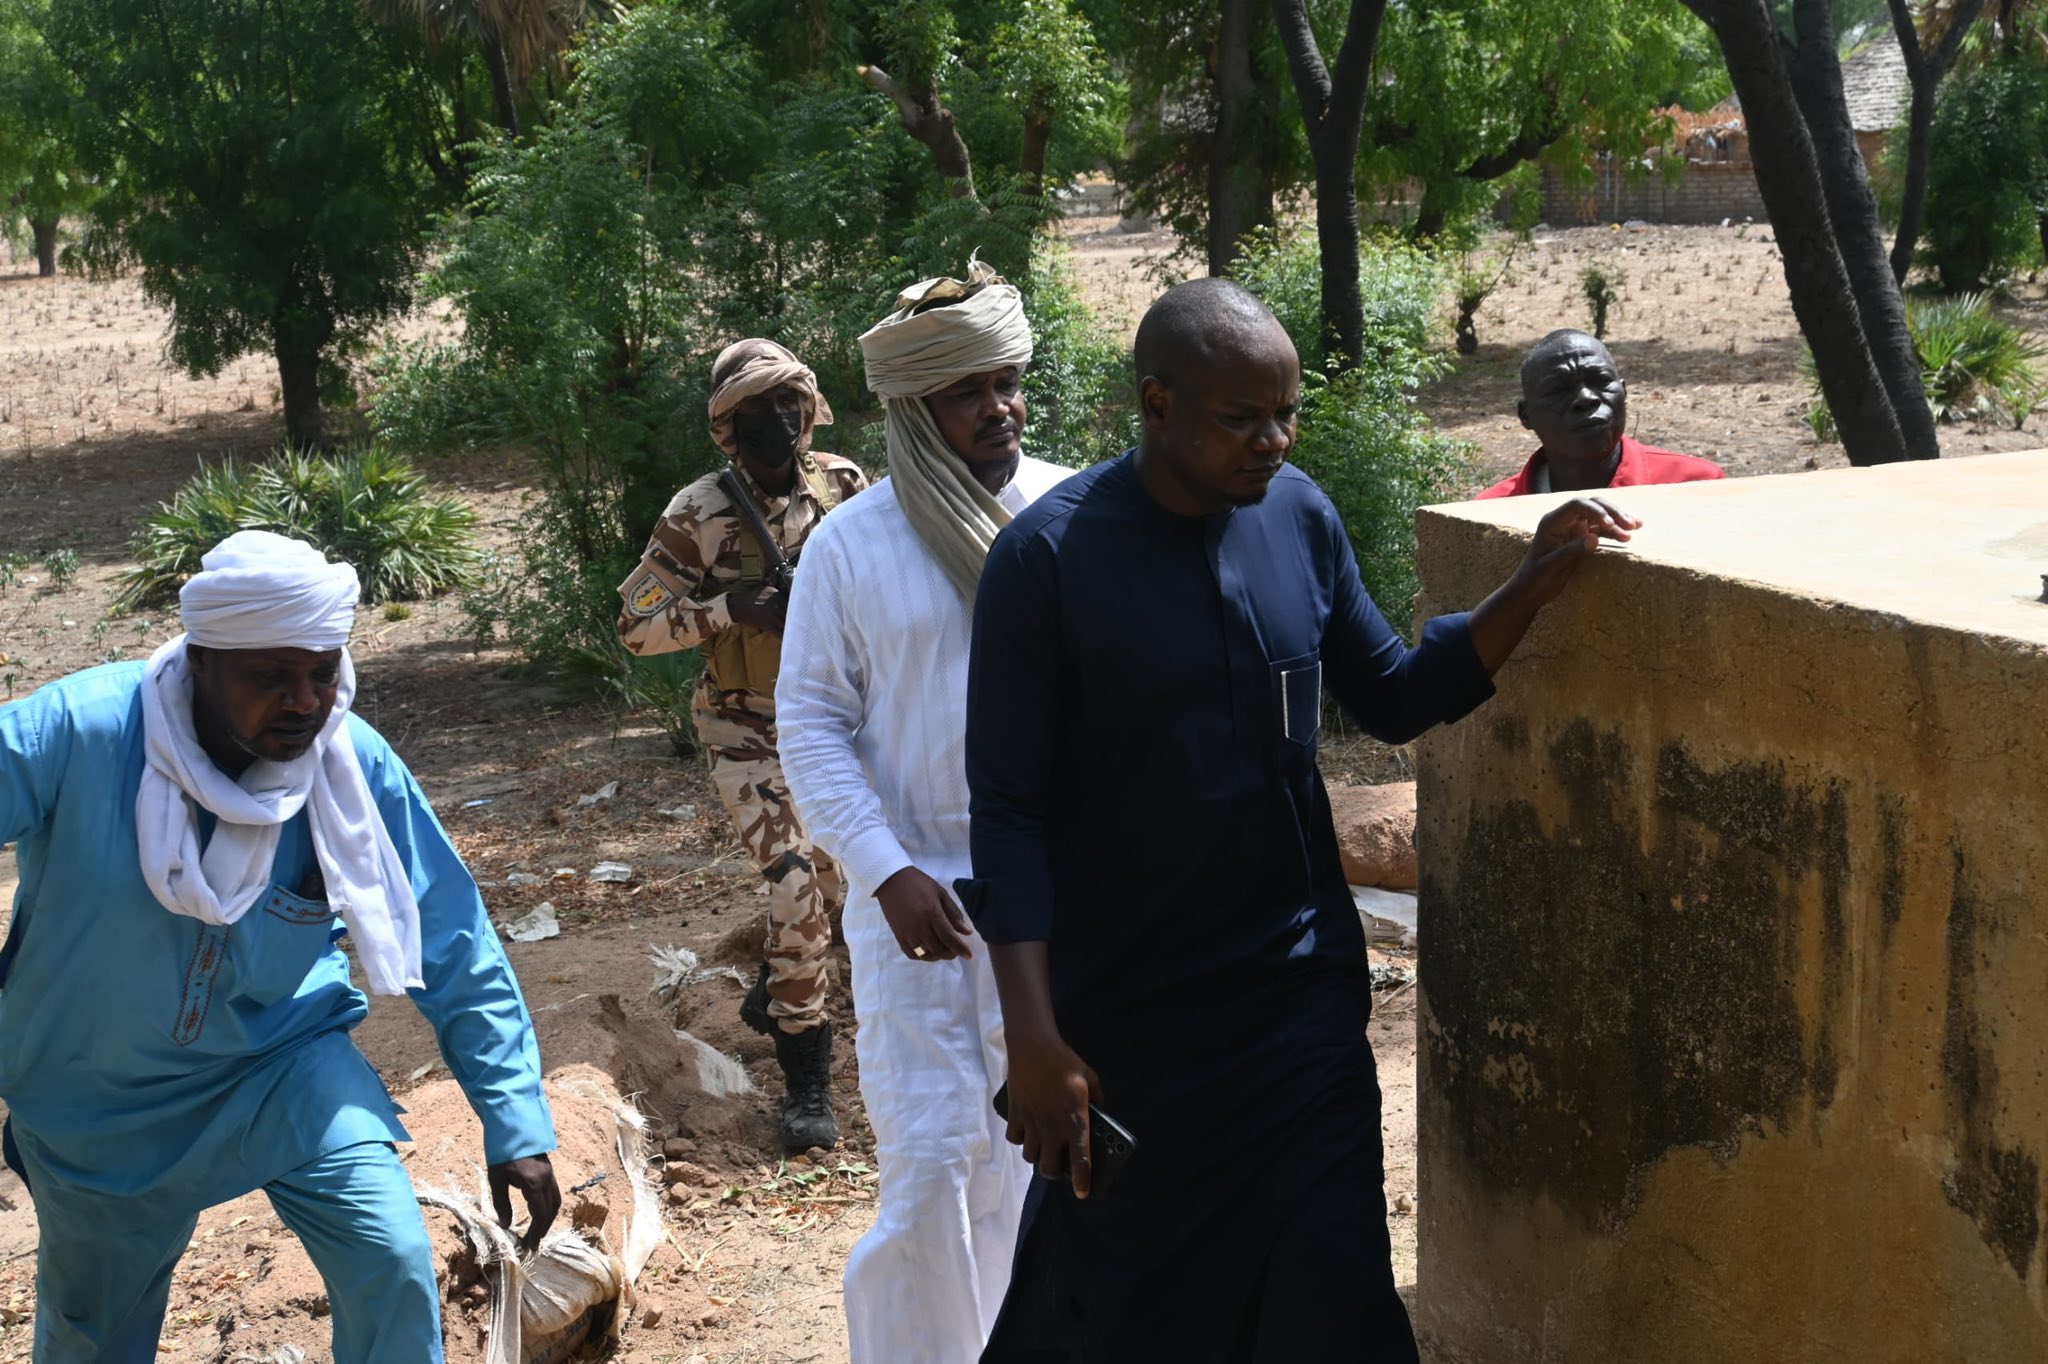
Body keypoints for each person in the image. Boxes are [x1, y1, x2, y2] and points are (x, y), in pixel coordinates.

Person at [962, 280, 1639, 1362]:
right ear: (1156, 403)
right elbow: (1007, 816)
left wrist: (1529, 585)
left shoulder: (1298, 517)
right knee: (1132, 1311)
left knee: (1334, 1299)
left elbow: (1393, 694)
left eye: (1285, 414)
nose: (1272, 441)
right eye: (1242, 418)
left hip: (1298, 1004)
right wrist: (1033, 1038)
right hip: (1137, 1020)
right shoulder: (1047, 560)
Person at [0, 530, 558, 1364]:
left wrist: (514, 1119)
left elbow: (453, 939)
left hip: (280, 1063)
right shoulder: (80, 730)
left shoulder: (349, 766)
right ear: (203, 662)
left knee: (392, 1260)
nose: (305, 701)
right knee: (95, 1338)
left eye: (323, 673)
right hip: (95, 1091)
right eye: (271, 677)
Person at [777, 260, 1071, 1364]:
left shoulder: (1075, 512)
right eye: (967, 392)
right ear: (913, 409)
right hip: (920, 910)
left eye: (1007, 383)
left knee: (1060, 1162)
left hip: (1061, 897)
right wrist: (884, 868)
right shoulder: (851, 544)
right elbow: (809, 723)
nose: (999, 408)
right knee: (937, 1170)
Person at [616, 339, 867, 1151]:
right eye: (759, 409)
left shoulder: (843, 486)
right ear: (729, 425)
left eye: (790, 402)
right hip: (745, 728)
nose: (780, 420)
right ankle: (806, 1083)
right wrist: (730, 610)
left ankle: (775, 989)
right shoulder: (697, 513)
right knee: (795, 884)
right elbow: (636, 629)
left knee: (835, 890)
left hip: (834, 723)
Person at [1478, 328, 1725, 498]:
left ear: (1623, 393)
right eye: (1558, 389)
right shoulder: (1493, 511)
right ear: (1526, 416)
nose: (1586, 398)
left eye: (1601, 381)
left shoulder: (1696, 486)